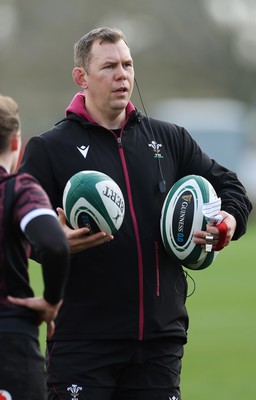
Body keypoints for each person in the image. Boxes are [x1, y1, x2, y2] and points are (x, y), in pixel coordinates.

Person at [19, 27, 252, 400]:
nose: (122, 74)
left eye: (127, 64)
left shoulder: (170, 139)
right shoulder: (50, 149)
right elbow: (18, 229)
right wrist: (53, 243)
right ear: (81, 77)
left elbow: (232, 188)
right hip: (82, 343)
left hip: (160, 343)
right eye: (109, 66)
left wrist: (227, 223)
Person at [0, 94, 70, 400]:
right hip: (10, 344)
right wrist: (51, 301)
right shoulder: (18, 189)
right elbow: (54, 245)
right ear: (17, 142)